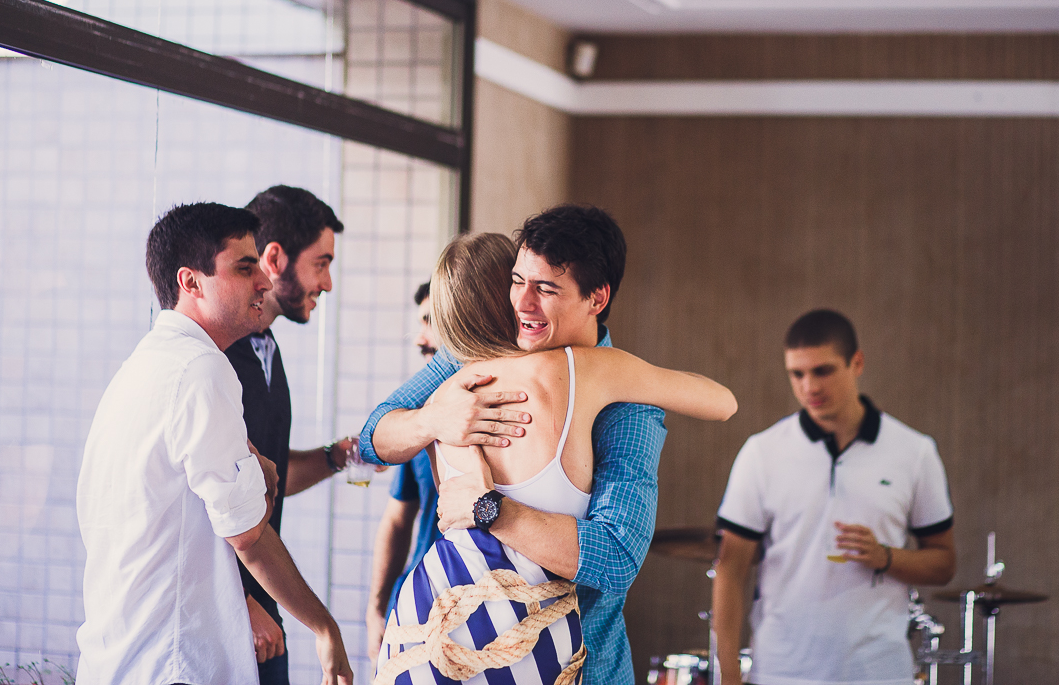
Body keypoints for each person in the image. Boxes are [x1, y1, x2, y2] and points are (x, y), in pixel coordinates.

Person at [374, 232, 737, 684]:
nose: (526, 301)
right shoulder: (586, 372)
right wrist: (432, 422)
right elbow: (377, 433)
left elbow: (615, 558)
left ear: (595, 298)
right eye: (518, 282)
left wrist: (486, 508)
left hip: (429, 618)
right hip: (518, 641)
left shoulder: (450, 384)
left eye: (544, 288)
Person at [75, 203, 352, 685]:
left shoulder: (147, 365)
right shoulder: (201, 370)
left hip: (125, 658)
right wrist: (325, 628)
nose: (263, 282)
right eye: (245, 268)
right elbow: (246, 535)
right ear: (191, 282)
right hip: (173, 662)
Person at [712, 309, 955, 685]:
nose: (809, 386)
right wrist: (726, 676)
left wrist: (886, 557)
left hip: (879, 673)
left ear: (856, 363)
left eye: (822, 371)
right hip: (780, 672)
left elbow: (944, 562)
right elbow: (729, 570)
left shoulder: (915, 452)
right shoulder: (762, 452)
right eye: (797, 373)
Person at [222, 185, 355, 684]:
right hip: (232, 611)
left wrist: (338, 456)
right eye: (321, 263)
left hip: (264, 602)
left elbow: (270, 474)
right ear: (275, 258)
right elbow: (203, 499)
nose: (328, 282)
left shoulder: (267, 347)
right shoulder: (218, 360)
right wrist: (241, 601)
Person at [366, 282, 443, 671]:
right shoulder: (417, 416)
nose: (420, 339)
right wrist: (378, 605)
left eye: (431, 321)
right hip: (413, 609)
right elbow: (399, 517)